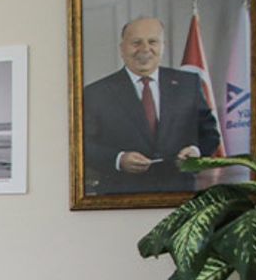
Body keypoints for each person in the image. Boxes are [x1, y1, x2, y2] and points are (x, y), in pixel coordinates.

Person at [82, 16, 220, 195]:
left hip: (179, 195)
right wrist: (118, 159)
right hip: (120, 197)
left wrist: (195, 151)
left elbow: (210, 134)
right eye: (136, 43)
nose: (145, 49)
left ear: (163, 46)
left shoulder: (189, 84)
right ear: (122, 49)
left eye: (152, 42)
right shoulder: (96, 92)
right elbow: (83, 145)